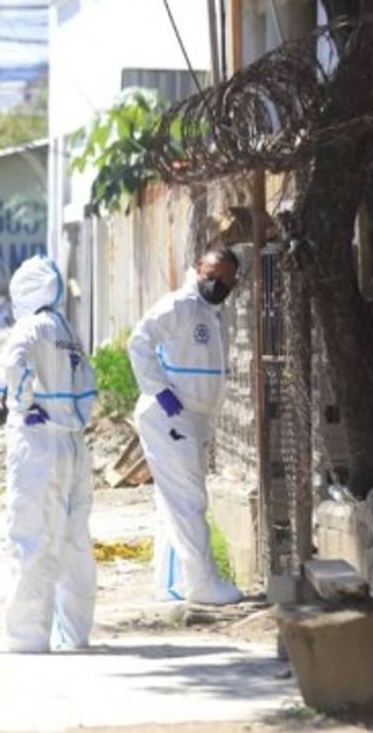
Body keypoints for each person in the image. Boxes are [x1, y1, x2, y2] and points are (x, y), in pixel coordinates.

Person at [0, 256, 98, 652]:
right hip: (72, 442)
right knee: (73, 541)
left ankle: (25, 635)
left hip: (38, 444)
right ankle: (74, 633)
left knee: (31, 535)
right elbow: (86, 382)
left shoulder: (29, 327)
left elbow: (17, 366)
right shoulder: (66, 330)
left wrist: (19, 404)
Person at [128, 249, 243, 606]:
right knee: (189, 500)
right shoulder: (180, 305)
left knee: (174, 501)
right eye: (211, 273)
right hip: (171, 414)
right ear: (198, 269)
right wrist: (158, 390)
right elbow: (139, 341)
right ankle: (202, 584)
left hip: (194, 417)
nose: (217, 282)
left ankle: (172, 582)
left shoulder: (215, 312)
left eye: (225, 278)